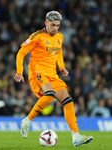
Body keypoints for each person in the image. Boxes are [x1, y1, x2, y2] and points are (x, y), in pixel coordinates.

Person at [14, 11, 93, 146]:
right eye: (52, 25)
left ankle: (76, 136)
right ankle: (27, 121)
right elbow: (21, 53)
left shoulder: (60, 37)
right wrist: (19, 71)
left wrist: (62, 67)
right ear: (46, 22)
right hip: (37, 72)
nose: (55, 28)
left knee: (68, 101)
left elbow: (58, 52)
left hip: (52, 75)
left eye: (57, 25)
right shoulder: (37, 36)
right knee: (50, 94)